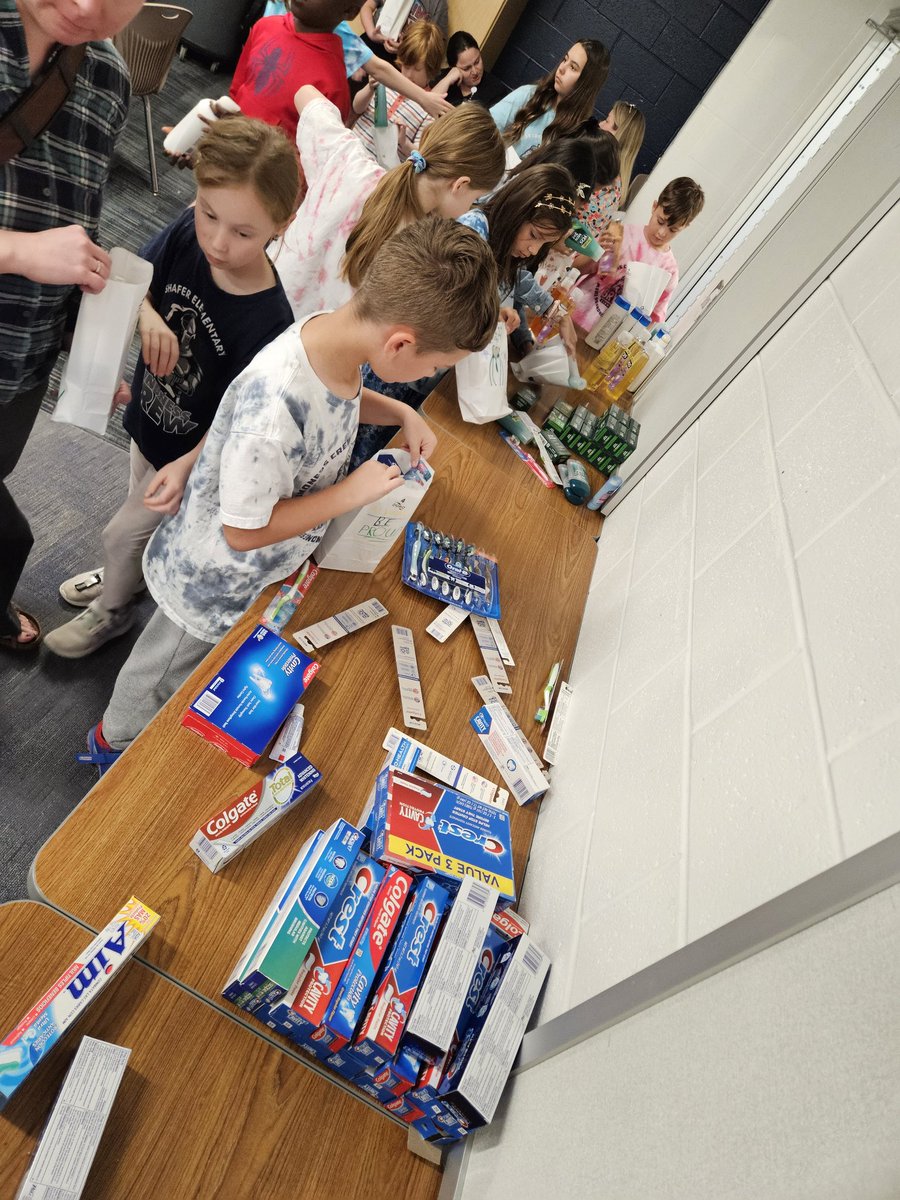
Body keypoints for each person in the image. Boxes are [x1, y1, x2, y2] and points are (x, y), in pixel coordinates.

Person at [81, 215, 499, 769]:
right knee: (162, 669)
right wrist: (351, 491)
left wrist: (400, 409)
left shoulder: (332, 337)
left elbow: (336, 404)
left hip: (253, 569)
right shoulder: (278, 404)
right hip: (212, 583)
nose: (428, 376)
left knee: (194, 668)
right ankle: (112, 743)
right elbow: (242, 530)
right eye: (436, 367)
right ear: (401, 344)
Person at [45, 118, 299, 659]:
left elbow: (241, 417)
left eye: (244, 233)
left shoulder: (271, 321)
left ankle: (111, 613)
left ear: (282, 224)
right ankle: (127, 580)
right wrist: (147, 316)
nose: (218, 241)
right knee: (131, 507)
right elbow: (131, 280)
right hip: (148, 420)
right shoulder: (187, 233)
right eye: (209, 214)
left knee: (122, 531)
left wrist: (187, 466)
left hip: (189, 458)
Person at [0, 0, 142, 654]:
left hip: (19, 359)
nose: (88, 6)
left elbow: (76, 219)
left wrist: (90, 346)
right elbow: (40, 247)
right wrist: (18, 253)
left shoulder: (106, 76)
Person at [349, 162, 578, 465]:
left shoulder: (506, 246)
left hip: (426, 372)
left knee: (388, 450)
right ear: (517, 209)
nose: (534, 250)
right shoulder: (474, 230)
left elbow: (514, 281)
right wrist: (487, 315)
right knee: (361, 451)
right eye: (533, 235)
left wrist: (532, 316)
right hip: (400, 370)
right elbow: (440, 302)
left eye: (543, 244)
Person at [275, 86, 505, 316]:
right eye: (474, 198)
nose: (469, 208)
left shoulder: (350, 161)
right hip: (308, 343)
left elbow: (304, 93)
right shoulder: (423, 253)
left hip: (264, 295)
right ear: (460, 185)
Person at [574, 177, 706, 329]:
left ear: (685, 227)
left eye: (673, 230)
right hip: (575, 315)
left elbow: (652, 320)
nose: (662, 233)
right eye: (660, 221)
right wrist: (595, 251)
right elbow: (574, 269)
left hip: (603, 338)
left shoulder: (668, 271)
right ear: (654, 206)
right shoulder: (620, 233)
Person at [229, 0, 363, 139]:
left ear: (349, 11)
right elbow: (237, 88)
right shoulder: (265, 25)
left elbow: (315, 152)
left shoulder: (334, 86)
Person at [489, 40, 610, 160]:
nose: (562, 68)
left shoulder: (578, 135)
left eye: (573, 67)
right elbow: (485, 128)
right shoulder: (530, 94)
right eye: (565, 59)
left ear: (586, 84)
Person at [351, 20, 445, 159]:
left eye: (417, 69)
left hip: (377, 172)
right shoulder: (388, 78)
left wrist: (404, 143)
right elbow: (357, 107)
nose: (408, 74)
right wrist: (369, 89)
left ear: (431, 69)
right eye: (406, 66)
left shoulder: (429, 109)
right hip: (351, 150)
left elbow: (421, 156)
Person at [583, 100, 646, 240]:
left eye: (608, 122)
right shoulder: (608, 176)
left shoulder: (606, 185)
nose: (600, 125)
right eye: (605, 119)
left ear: (620, 136)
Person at [432, 30, 505, 109]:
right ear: (453, 67)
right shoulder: (441, 78)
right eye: (466, 68)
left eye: (477, 62)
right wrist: (447, 80)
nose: (475, 72)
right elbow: (426, 107)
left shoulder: (495, 90)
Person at [360, 0, 447, 62]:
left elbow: (438, 47)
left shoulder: (438, 3)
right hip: (372, 43)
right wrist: (371, 33)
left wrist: (407, 49)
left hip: (404, 61)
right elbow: (367, 7)